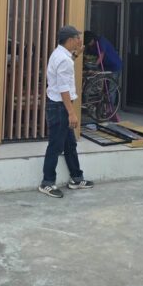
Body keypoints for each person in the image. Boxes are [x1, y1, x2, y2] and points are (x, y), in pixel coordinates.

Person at [39, 25, 95, 198]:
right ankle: (47, 182)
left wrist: (77, 55)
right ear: (70, 40)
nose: (80, 40)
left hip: (58, 105)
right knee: (55, 145)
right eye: (78, 38)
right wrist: (71, 112)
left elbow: (66, 68)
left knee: (70, 144)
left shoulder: (60, 54)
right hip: (60, 107)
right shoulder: (64, 59)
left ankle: (76, 178)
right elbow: (63, 88)